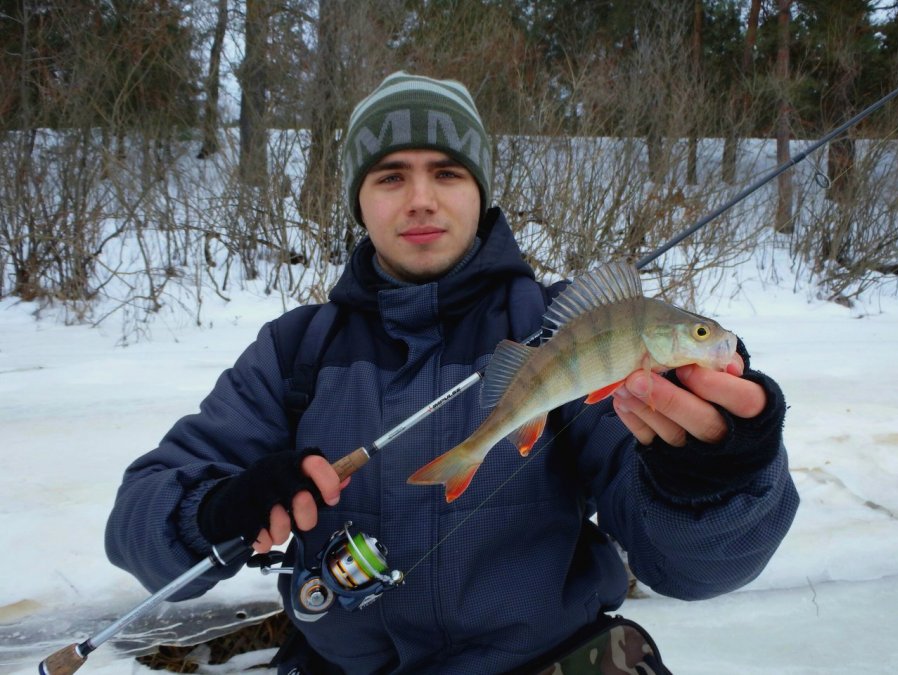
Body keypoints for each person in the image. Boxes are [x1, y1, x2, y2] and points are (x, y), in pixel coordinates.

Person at [106, 72, 799, 674]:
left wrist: (717, 475)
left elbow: (694, 569)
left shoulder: (559, 328)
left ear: (480, 191)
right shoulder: (296, 352)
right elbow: (136, 523)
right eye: (389, 176)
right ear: (358, 199)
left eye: (446, 172)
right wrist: (216, 509)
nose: (420, 199)